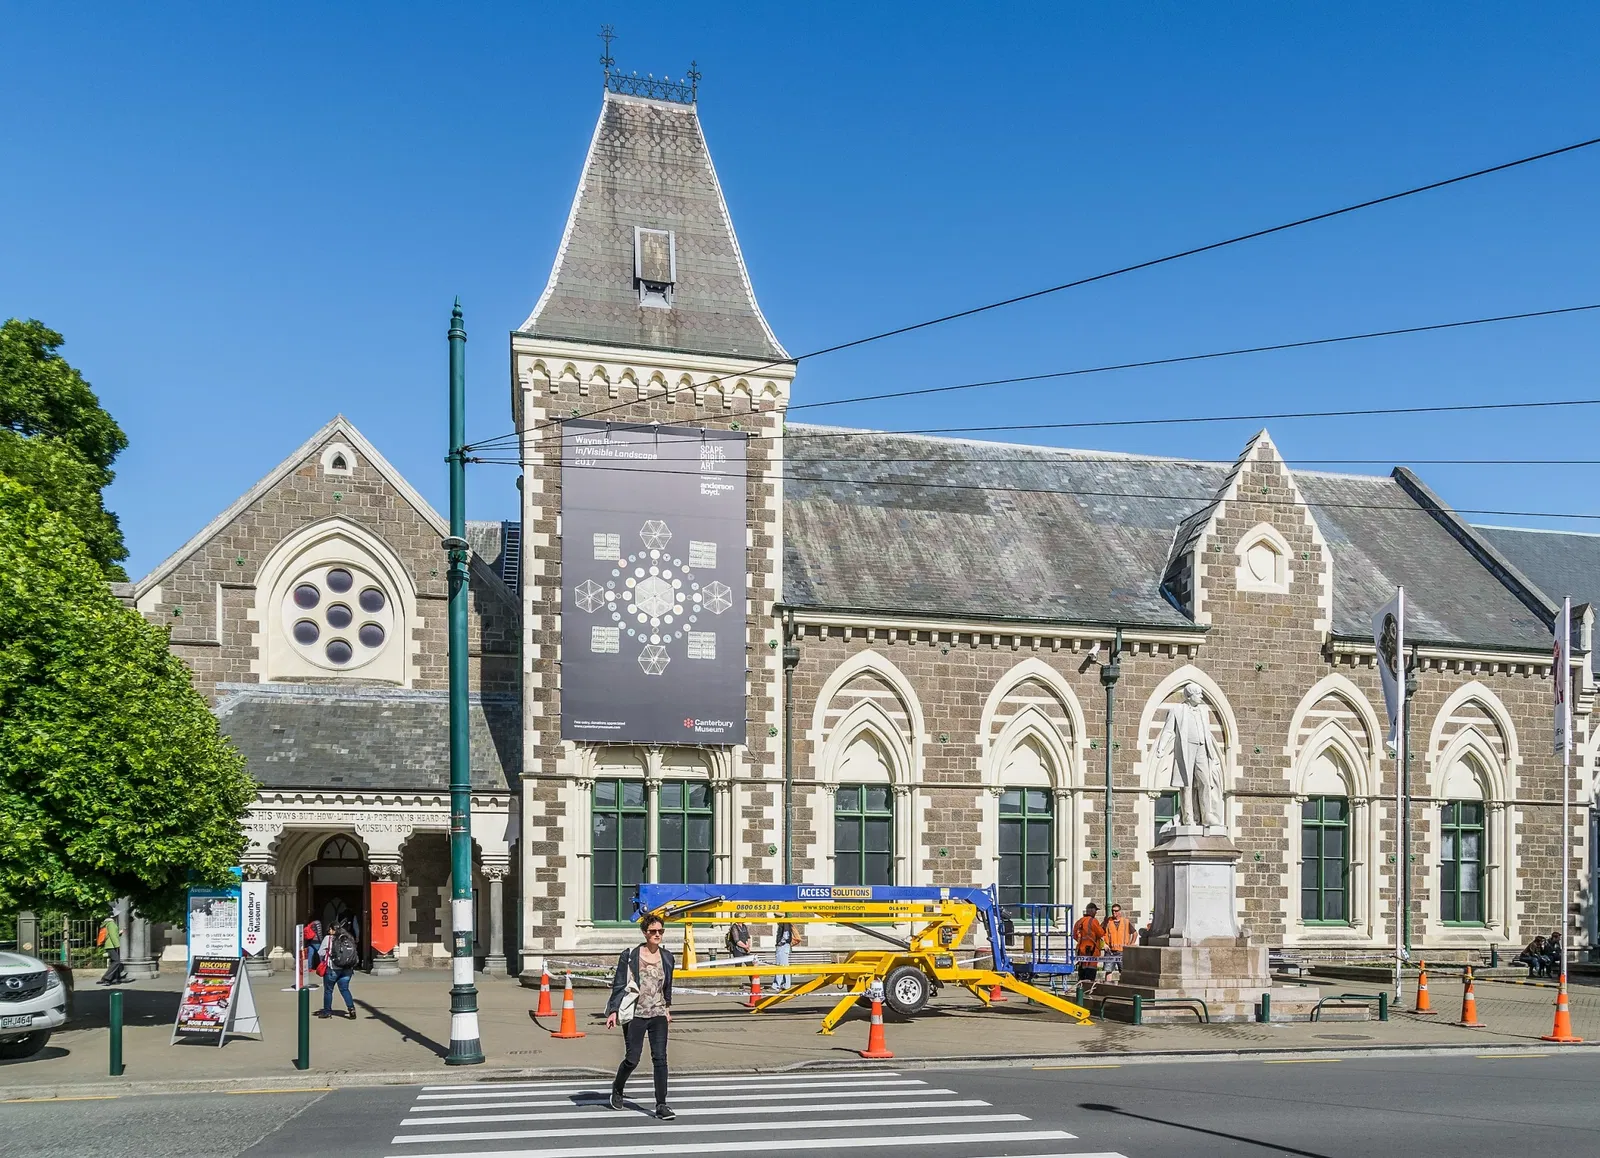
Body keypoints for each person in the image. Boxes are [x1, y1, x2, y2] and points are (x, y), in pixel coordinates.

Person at [605, 913, 676, 1121]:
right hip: (635, 1014)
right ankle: (617, 1088)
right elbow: (619, 984)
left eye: (660, 931)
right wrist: (613, 1010)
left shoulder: (668, 957)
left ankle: (661, 1104)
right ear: (645, 933)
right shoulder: (630, 955)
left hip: (658, 1014)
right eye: (653, 931)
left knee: (660, 1059)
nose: (657, 935)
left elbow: (667, 986)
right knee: (632, 1058)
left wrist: (667, 1008)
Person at [315, 919, 359, 1020]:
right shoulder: (348, 937)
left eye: (330, 929)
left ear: (333, 930)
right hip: (347, 968)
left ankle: (327, 1012)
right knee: (344, 989)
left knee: (328, 990)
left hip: (333, 968)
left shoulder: (329, 939)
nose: (328, 931)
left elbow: (320, 952)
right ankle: (351, 1009)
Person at [1072, 902, 1106, 983]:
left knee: (1082, 972)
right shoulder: (1093, 921)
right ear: (1092, 911)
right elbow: (1101, 933)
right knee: (1090, 973)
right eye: (1095, 910)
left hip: (1081, 950)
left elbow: (1074, 935)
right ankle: (1088, 990)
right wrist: (1104, 926)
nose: (1096, 912)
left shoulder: (1079, 921)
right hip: (1091, 951)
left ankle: (1080, 989)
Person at [96, 910, 129, 986]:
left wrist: (119, 933)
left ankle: (114, 979)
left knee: (114, 961)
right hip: (111, 945)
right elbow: (112, 936)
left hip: (110, 945)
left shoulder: (108, 923)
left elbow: (111, 934)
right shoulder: (111, 924)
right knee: (117, 961)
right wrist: (117, 945)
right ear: (113, 916)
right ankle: (106, 978)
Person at [1103, 904, 1134, 972]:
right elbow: (1099, 933)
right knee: (1108, 971)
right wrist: (1103, 944)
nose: (1114, 912)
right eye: (1112, 911)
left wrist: (1131, 944)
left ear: (1120, 911)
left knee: (1124, 971)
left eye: (1116, 911)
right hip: (1110, 951)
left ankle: (1123, 983)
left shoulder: (1125, 922)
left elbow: (1135, 933)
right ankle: (1107, 983)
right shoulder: (1108, 921)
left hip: (1122, 951)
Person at [774, 922, 796, 991]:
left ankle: (777, 985)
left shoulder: (784, 923)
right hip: (785, 947)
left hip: (782, 947)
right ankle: (786, 985)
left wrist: (780, 943)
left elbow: (785, 936)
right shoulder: (785, 923)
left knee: (780, 966)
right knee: (784, 965)